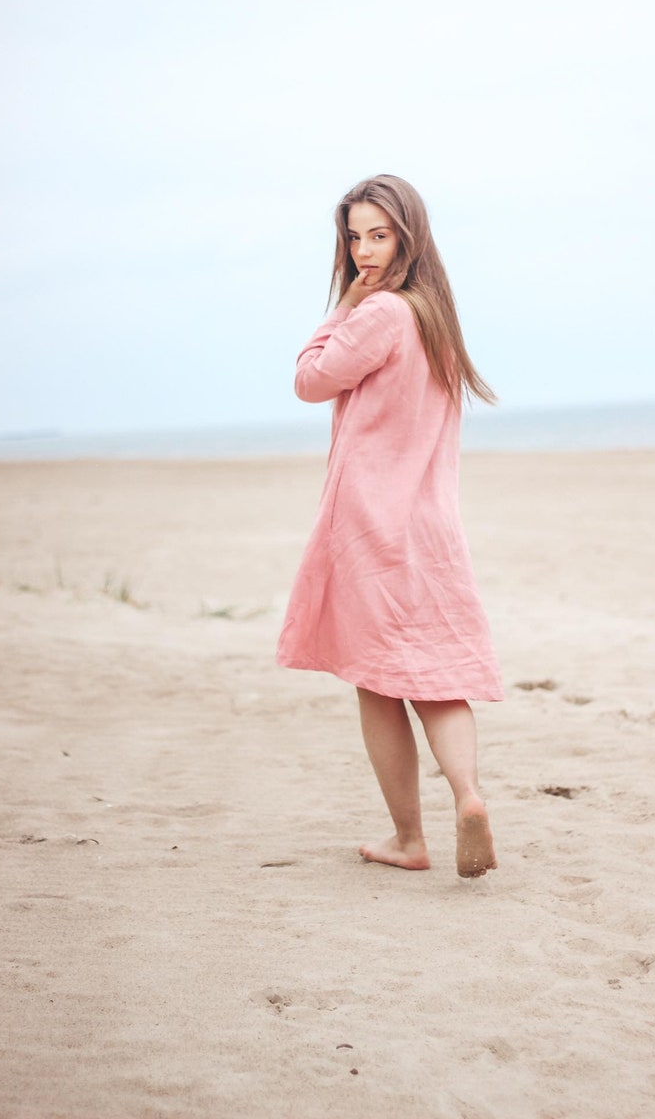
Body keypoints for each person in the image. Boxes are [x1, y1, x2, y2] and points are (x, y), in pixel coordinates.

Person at [276, 174, 503, 878]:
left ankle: (410, 839)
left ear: (409, 236)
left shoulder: (379, 316)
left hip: (372, 527)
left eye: (380, 235)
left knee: (376, 681)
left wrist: (342, 304)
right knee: (437, 677)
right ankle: (468, 796)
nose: (365, 250)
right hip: (431, 527)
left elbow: (310, 380)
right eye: (354, 236)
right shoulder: (435, 316)